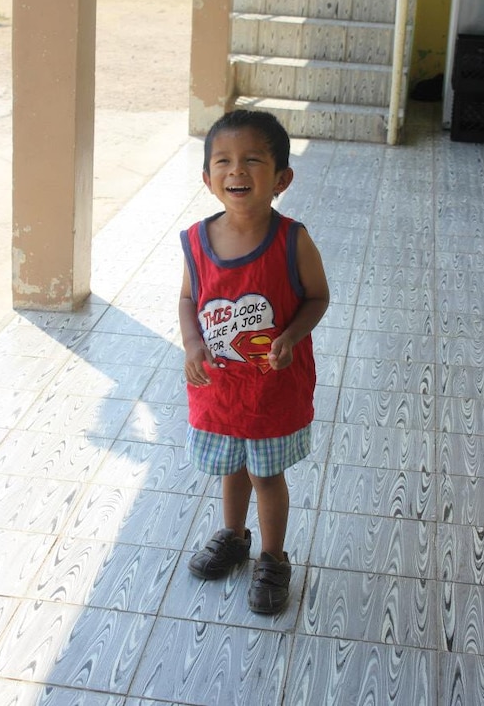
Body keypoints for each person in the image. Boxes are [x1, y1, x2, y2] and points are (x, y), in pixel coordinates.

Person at [179, 109, 329, 614]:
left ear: (281, 178)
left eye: (252, 160)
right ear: (207, 178)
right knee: (231, 467)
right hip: (220, 389)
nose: (236, 171)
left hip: (271, 389)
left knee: (266, 475)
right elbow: (187, 300)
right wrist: (193, 343)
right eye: (223, 160)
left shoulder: (292, 240)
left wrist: (290, 336)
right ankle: (233, 535)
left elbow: (317, 297)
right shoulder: (198, 240)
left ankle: (272, 556)